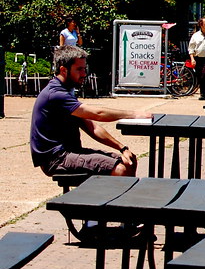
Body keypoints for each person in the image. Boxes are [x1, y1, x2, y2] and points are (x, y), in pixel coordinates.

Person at [30, 45, 150, 178]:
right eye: (79, 69)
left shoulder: (66, 91)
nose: (84, 74)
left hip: (69, 152)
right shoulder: (56, 94)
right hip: (56, 158)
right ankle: (107, 199)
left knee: (129, 161)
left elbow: (91, 127)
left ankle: (119, 198)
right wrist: (134, 114)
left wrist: (122, 148)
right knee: (120, 170)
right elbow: (98, 114)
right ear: (63, 70)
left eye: (84, 69)